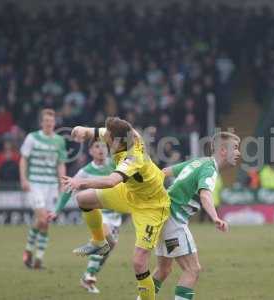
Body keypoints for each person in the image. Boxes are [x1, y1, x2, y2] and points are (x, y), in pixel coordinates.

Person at [62, 117, 170, 300]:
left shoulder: (133, 156)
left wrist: (82, 181)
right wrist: (81, 128)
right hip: (130, 193)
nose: (105, 140)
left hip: (151, 206)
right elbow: (95, 132)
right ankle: (99, 242)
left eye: (108, 137)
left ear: (117, 140)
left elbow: (111, 181)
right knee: (83, 200)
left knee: (139, 262)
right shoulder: (121, 137)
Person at [150, 132, 240, 300]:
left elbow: (163, 172)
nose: (238, 153)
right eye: (235, 148)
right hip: (173, 218)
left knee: (163, 270)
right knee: (193, 269)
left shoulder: (199, 162)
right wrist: (216, 218)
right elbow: (205, 195)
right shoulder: (210, 168)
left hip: (162, 215)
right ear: (222, 151)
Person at [50, 141, 123, 294]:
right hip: (97, 213)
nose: (101, 149)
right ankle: (90, 275)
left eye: (103, 146)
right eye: (97, 147)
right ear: (90, 151)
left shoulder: (115, 165)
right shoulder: (85, 171)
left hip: (115, 214)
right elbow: (69, 188)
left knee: (110, 245)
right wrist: (57, 210)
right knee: (104, 241)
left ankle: (88, 276)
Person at [21, 109, 67, 269]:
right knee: (41, 219)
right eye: (46, 121)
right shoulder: (32, 137)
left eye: (51, 121)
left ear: (54, 123)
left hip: (51, 186)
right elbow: (24, 159)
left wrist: (62, 183)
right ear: (41, 122)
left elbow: (61, 163)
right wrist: (23, 179)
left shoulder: (60, 141)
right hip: (35, 184)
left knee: (45, 222)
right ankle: (30, 251)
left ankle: (37, 257)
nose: (49, 123)